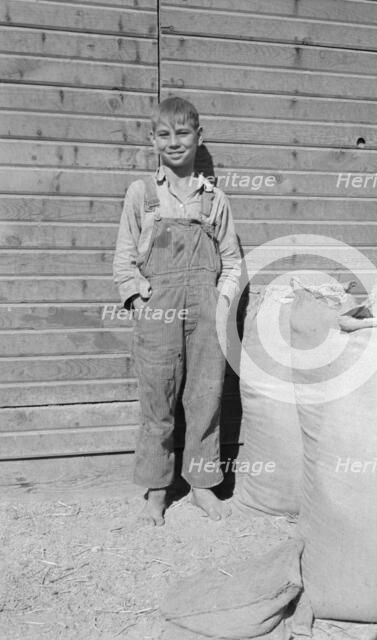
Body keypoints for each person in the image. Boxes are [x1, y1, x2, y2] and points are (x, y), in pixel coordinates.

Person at [113, 96, 241, 526]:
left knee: (205, 396)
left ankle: (203, 485)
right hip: (158, 312)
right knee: (158, 400)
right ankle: (156, 489)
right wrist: (137, 299)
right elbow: (123, 257)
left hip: (205, 313)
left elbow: (233, 260)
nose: (174, 142)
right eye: (164, 134)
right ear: (153, 141)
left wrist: (221, 302)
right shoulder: (143, 195)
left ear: (198, 137)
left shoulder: (214, 200)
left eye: (183, 133)